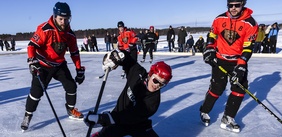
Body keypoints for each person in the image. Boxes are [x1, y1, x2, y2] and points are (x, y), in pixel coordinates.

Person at [20, 2, 86, 131]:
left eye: (66, 19)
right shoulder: (45, 29)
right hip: (43, 65)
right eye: (61, 19)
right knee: (36, 93)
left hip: (59, 65)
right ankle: (28, 115)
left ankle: (71, 109)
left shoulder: (70, 34)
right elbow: (31, 45)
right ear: (55, 17)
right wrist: (32, 62)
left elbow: (74, 52)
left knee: (71, 86)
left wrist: (79, 68)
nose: (63, 22)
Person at [199, 0, 258, 133]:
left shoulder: (251, 23)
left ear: (243, 4)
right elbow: (212, 35)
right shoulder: (220, 19)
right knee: (217, 88)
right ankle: (204, 110)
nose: (233, 8)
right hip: (220, 59)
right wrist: (209, 48)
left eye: (237, 5)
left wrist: (241, 65)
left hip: (237, 61)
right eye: (230, 5)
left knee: (240, 89)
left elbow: (248, 47)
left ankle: (228, 117)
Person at [84, 49, 172, 137]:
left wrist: (105, 119)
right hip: (117, 121)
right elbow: (128, 60)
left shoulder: (153, 101)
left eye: (162, 84)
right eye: (156, 80)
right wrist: (117, 56)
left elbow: (130, 116)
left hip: (138, 125)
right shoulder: (138, 73)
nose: (157, 86)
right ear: (150, 74)